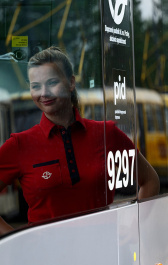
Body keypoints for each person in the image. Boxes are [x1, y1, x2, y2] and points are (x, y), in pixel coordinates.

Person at [0, 46, 159, 235]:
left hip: (102, 252)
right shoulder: (19, 145)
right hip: (45, 260)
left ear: (71, 83)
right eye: (36, 86)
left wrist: (134, 226)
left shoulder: (106, 134)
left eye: (52, 82)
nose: (44, 93)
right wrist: (16, 241)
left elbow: (150, 180)